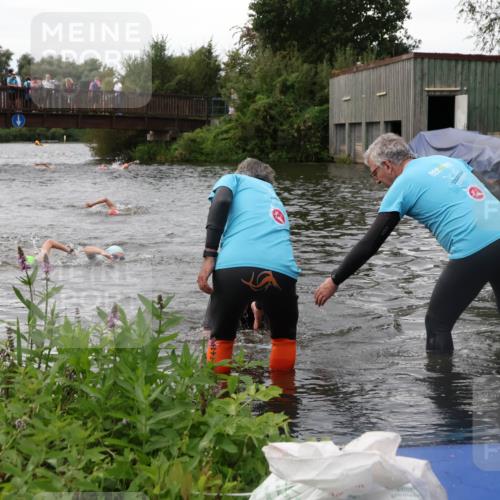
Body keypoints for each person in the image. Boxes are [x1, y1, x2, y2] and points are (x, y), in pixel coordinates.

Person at [314, 133, 500, 355]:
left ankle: (445, 388)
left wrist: (335, 280)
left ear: (388, 165)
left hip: (475, 247)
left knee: (437, 324)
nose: (376, 180)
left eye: (375, 172)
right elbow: (489, 191)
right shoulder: (447, 161)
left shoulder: (403, 185)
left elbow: (371, 243)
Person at [197, 158, 300, 374]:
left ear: (241, 172)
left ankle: (217, 397)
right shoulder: (273, 197)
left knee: (220, 339)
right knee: (284, 340)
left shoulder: (234, 179)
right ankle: (282, 400)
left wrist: (209, 255)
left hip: (235, 268)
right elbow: (265, 253)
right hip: (283, 271)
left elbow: (222, 202)